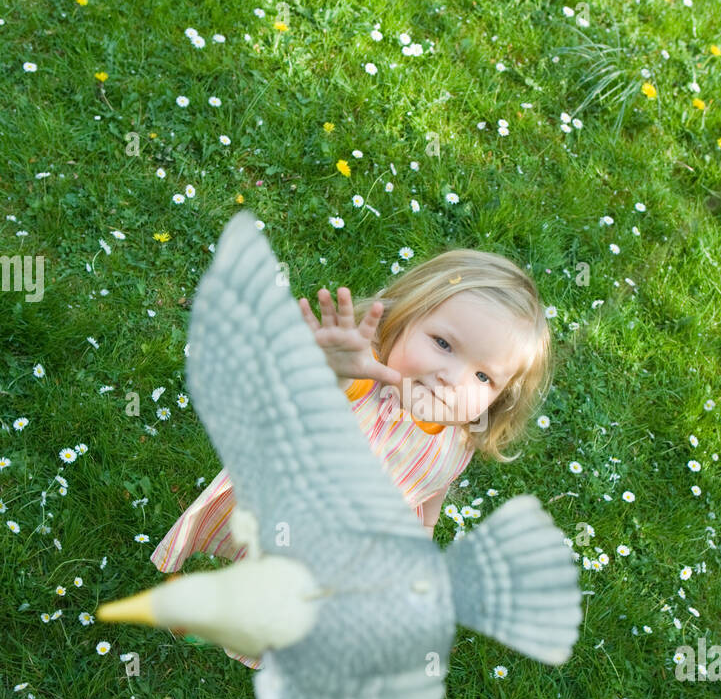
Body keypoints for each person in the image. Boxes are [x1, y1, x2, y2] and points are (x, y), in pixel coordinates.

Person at [149, 247, 554, 668]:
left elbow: (434, 482)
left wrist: (425, 532)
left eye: (483, 376)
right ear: (403, 316)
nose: (451, 378)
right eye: (443, 343)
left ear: (499, 398)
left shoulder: (460, 437)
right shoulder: (362, 387)